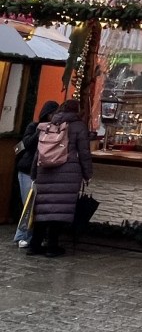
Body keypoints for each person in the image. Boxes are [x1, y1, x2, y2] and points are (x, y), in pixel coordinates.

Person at [29, 98, 93, 257]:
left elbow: (39, 151)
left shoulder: (48, 125)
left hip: (45, 170)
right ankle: (52, 247)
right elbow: (84, 153)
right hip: (67, 172)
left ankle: (34, 245)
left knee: (42, 209)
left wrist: (34, 173)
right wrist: (88, 174)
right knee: (58, 210)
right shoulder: (78, 126)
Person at [13, 99, 60, 248]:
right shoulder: (33, 126)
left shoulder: (57, 129)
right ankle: (23, 236)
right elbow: (27, 144)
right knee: (28, 204)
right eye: (52, 114)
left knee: (37, 205)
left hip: (42, 171)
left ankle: (29, 236)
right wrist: (40, 130)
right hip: (27, 170)